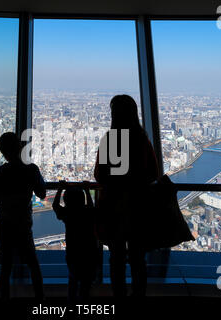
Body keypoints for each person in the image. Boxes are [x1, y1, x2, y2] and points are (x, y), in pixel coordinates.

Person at [94, 95, 159, 299]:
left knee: (116, 258)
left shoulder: (111, 140)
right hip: (139, 206)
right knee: (138, 258)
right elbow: (154, 173)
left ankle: (119, 297)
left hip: (113, 207)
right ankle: (139, 296)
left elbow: (99, 175)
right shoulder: (142, 139)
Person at [0, 132, 46, 300]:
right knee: (33, 265)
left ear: (3, 152)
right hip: (23, 225)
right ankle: (40, 301)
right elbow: (42, 193)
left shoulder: (1, 172)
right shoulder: (31, 169)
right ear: (20, 148)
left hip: (4, 224)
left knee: (5, 268)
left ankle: (5, 300)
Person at [53, 181, 99, 302]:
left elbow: (55, 206)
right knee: (86, 284)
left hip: (73, 253)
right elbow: (90, 207)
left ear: (67, 201)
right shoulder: (88, 213)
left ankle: (71, 305)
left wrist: (59, 189)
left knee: (73, 280)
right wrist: (87, 190)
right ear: (82, 200)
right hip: (89, 252)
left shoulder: (68, 213)